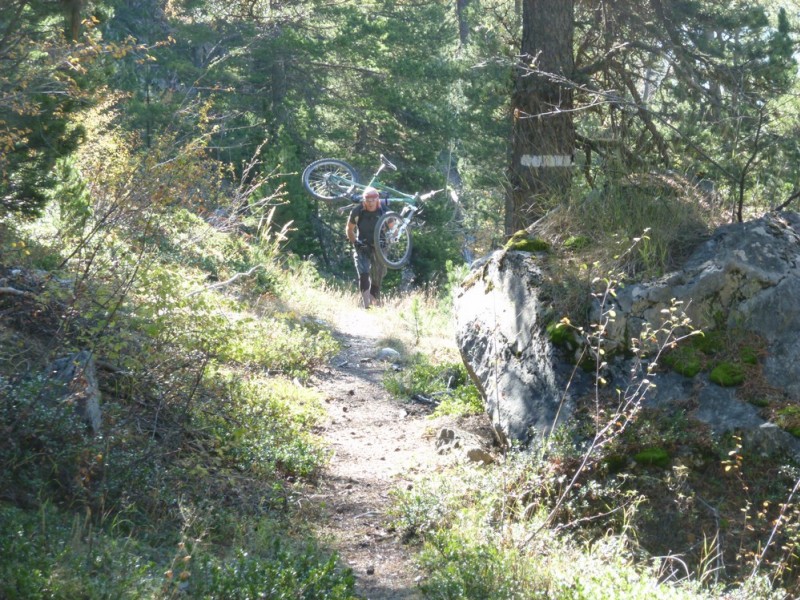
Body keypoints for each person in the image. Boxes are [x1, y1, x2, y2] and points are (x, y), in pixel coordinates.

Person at [346, 186, 387, 309]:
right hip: (362, 244)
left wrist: (390, 237)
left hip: (380, 246)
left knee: (378, 275)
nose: (370, 203)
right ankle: (366, 304)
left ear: (377, 199)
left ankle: (373, 302)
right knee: (363, 272)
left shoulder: (383, 210)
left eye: (372, 200)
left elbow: (392, 226)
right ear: (364, 200)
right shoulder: (357, 211)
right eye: (367, 200)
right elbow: (349, 229)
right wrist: (356, 243)